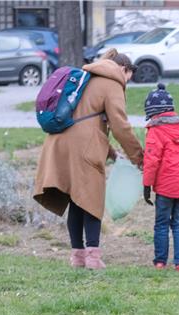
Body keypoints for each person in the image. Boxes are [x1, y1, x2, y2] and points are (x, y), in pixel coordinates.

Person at [33, 48, 143, 270]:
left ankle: (78, 257)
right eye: (129, 77)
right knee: (92, 199)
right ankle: (93, 258)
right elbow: (120, 126)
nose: (127, 82)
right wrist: (139, 157)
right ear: (123, 69)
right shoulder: (112, 83)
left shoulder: (86, 77)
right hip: (82, 148)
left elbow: (88, 119)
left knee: (76, 199)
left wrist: (112, 153)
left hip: (58, 144)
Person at [141, 83, 179, 272]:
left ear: (153, 112)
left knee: (162, 224)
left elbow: (151, 161)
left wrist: (147, 186)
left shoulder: (156, 131)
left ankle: (160, 261)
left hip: (165, 187)